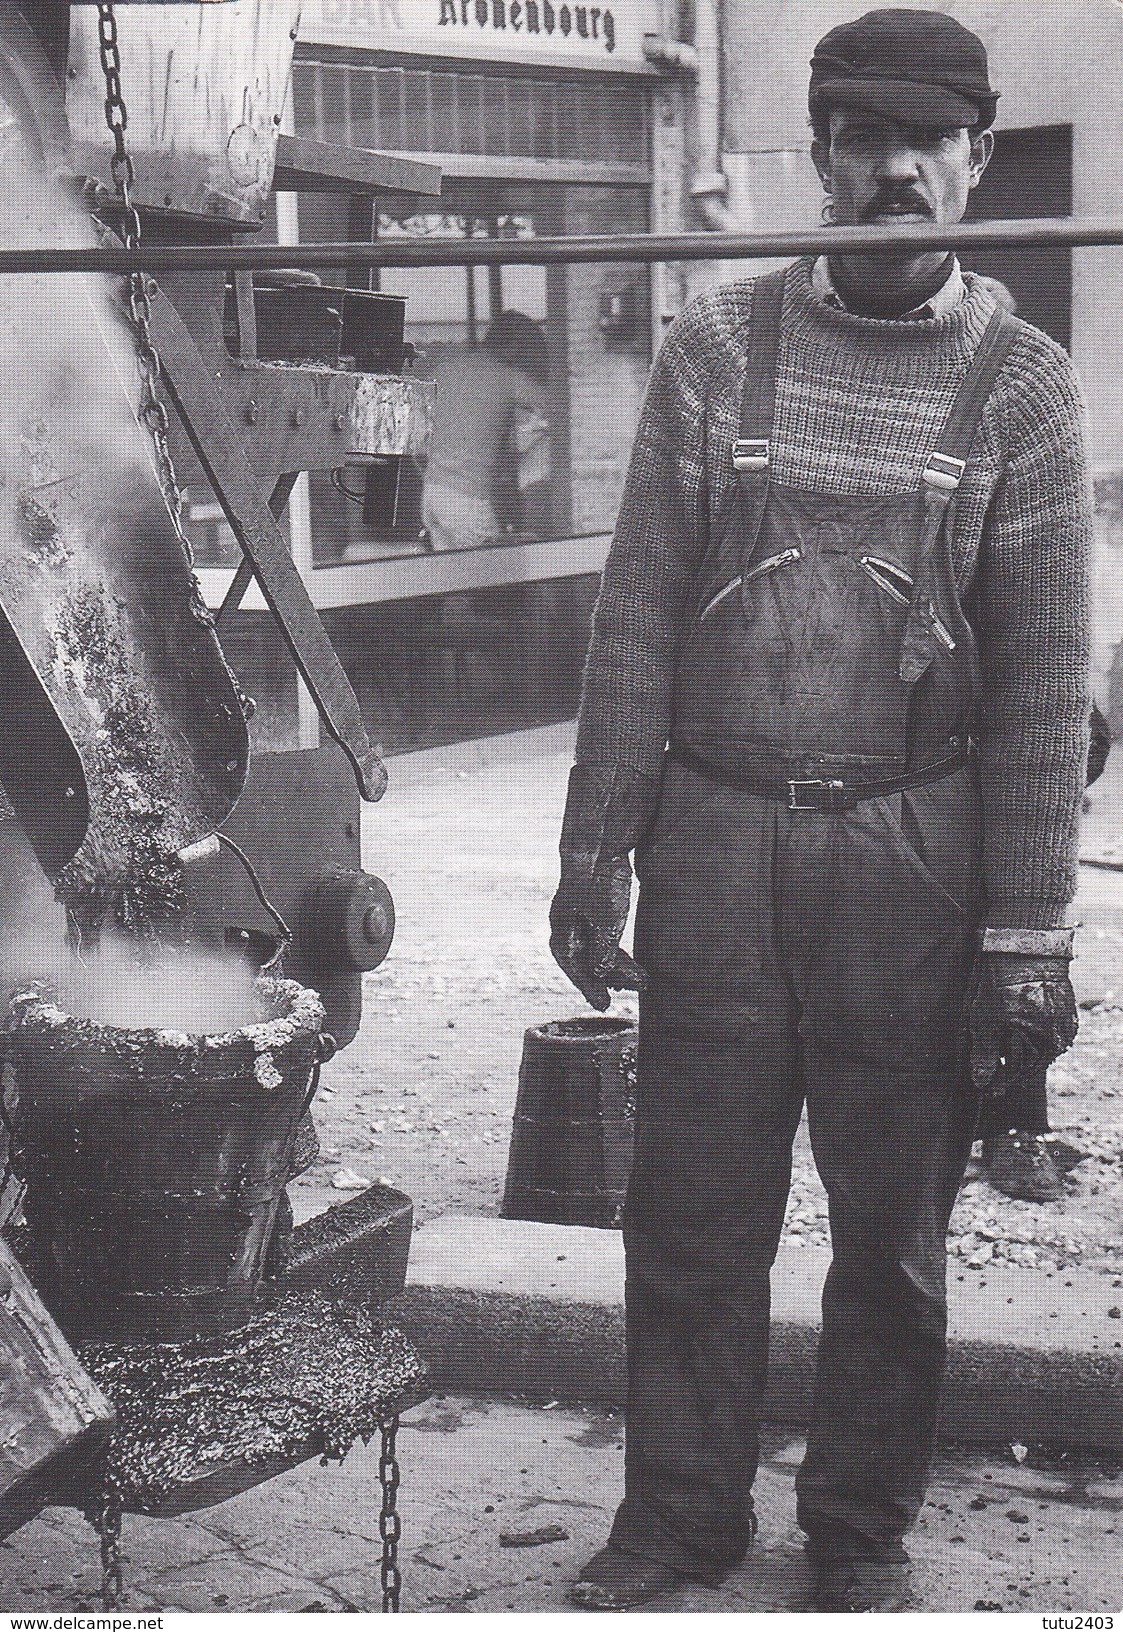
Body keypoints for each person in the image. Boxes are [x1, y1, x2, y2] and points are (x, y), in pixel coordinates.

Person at [550, 8, 1091, 1613]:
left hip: (905, 865)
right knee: (691, 1218)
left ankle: (855, 1531)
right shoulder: (718, 350)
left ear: (975, 165)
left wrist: (1021, 932)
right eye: (860, 138)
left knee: (890, 1236)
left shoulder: (1023, 388)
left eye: (926, 142)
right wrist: (595, 851)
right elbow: (637, 615)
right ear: (820, 159)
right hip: (712, 850)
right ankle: (677, 1523)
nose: (893, 170)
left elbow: (1047, 688)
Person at [421, 310, 549, 551]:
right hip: (467, 501)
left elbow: (415, 431)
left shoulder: (447, 368)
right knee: (493, 580)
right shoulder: (506, 377)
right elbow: (561, 408)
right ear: (515, 348)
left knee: (451, 582)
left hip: (432, 494)